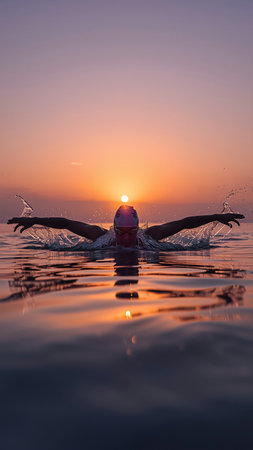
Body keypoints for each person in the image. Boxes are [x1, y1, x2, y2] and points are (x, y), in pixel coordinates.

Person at [8, 204, 244, 248]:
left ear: (138, 229)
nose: (126, 237)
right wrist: (35, 220)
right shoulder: (99, 236)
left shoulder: (151, 236)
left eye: (131, 231)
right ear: (113, 229)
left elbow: (184, 224)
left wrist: (216, 216)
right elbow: (66, 223)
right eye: (121, 232)